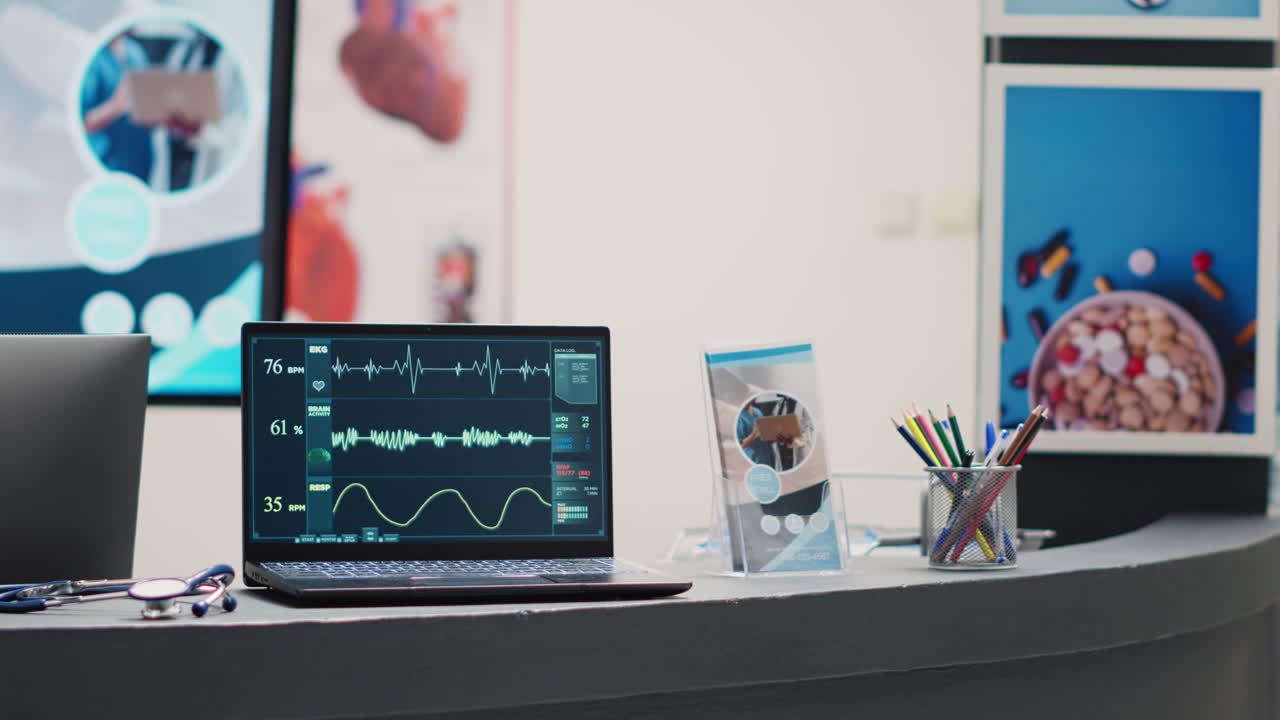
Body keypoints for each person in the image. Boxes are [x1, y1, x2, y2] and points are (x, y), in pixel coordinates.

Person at [81, 32, 153, 183]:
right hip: (103, 161)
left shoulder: (135, 51)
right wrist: (116, 106)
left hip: (138, 160)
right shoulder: (91, 58)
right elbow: (81, 124)